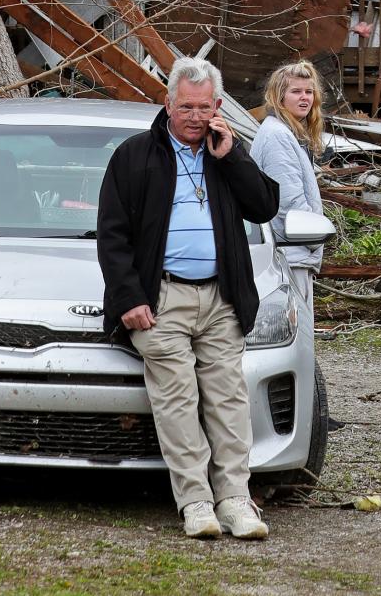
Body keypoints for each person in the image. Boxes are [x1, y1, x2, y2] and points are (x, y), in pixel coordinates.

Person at [96, 56, 279, 540]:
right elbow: (111, 237)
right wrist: (129, 297)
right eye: (185, 107)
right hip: (162, 299)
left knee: (227, 399)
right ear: (168, 103)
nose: (194, 117)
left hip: (222, 298)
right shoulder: (135, 155)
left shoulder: (226, 154)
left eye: (203, 107)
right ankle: (196, 502)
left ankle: (237, 500)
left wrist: (232, 157)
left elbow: (264, 206)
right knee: (176, 400)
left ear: (218, 107)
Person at [250, 60, 326, 305]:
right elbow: (289, 204)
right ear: (279, 97)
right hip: (289, 255)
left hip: (293, 253)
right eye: (296, 91)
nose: (304, 98)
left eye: (309, 91)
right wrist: (314, 241)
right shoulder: (277, 137)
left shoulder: (286, 133)